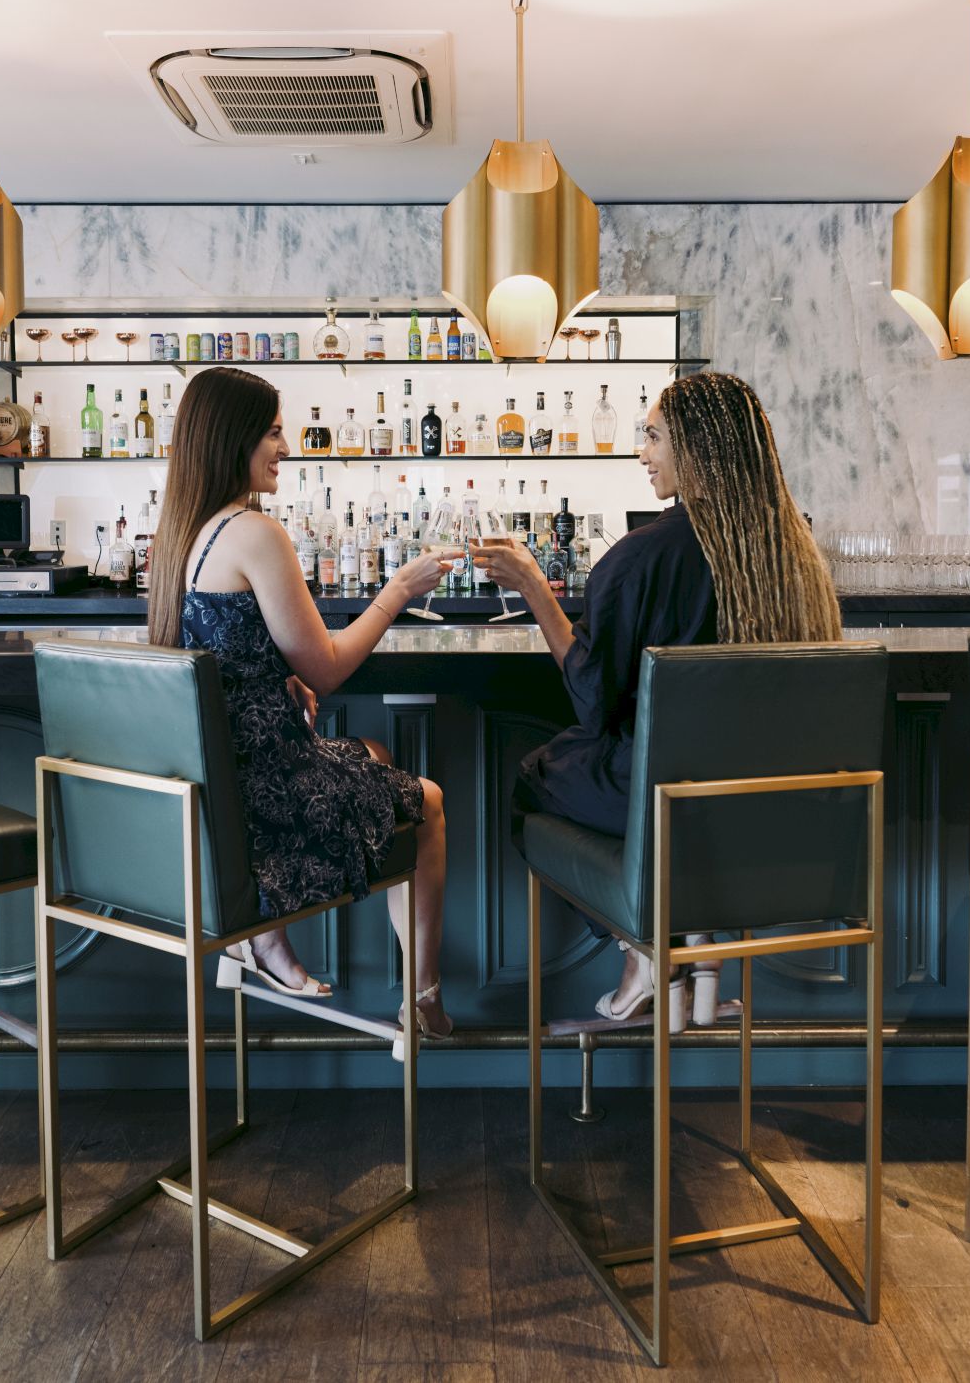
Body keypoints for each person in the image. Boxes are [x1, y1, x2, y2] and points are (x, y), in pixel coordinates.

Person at [472, 371, 841, 1023]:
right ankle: (697, 961)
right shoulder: (796, 556)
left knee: (537, 777)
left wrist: (533, 585)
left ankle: (643, 950)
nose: (642, 452)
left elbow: (593, 696)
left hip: (672, 807)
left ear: (696, 447)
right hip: (780, 815)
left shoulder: (641, 561)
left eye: (653, 436)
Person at [149, 366, 454, 1037]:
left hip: (213, 779)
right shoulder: (255, 532)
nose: (286, 447)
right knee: (426, 803)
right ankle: (422, 995)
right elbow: (331, 667)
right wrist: (398, 591)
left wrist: (274, 679)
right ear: (235, 439)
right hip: (262, 787)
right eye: (275, 433)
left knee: (373, 755)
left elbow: (222, 655)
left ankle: (266, 939)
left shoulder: (181, 536)